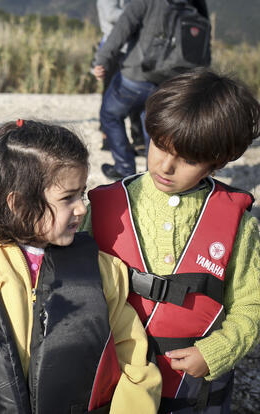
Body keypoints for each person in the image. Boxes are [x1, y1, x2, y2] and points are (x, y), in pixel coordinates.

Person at [0, 120, 162, 413]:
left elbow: (135, 360)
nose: (82, 208)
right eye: (68, 198)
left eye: (82, 193)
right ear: (20, 204)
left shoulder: (102, 270)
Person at [85, 68, 260, 413]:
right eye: (159, 146)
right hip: (115, 379)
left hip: (193, 389)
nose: (165, 166)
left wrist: (215, 353)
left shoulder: (239, 222)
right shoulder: (105, 205)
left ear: (217, 161)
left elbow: (251, 305)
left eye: (188, 159)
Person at [93, 0, 209, 180]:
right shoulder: (195, 6)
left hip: (137, 76)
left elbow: (120, 31)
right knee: (154, 125)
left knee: (110, 115)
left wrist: (102, 60)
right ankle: (153, 174)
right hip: (172, 81)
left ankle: (124, 168)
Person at [95, 0, 145, 155]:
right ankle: (108, 138)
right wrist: (142, 12)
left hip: (132, 49)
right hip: (114, 49)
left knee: (136, 94)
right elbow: (110, 15)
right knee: (110, 93)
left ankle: (139, 140)